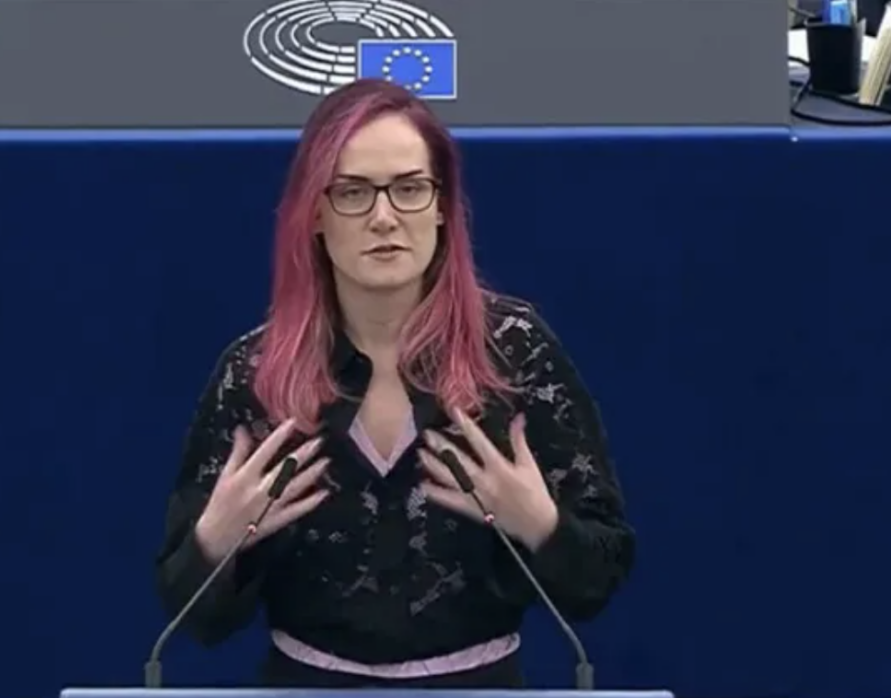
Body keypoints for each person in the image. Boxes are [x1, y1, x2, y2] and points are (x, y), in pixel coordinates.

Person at [155, 78, 636, 688]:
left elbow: (599, 581)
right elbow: (195, 620)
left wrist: (540, 525)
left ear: (441, 206)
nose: (384, 218)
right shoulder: (254, 374)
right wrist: (213, 543)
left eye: (409, 189)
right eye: (353, 192)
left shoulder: (516, 354)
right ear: (315, 213)